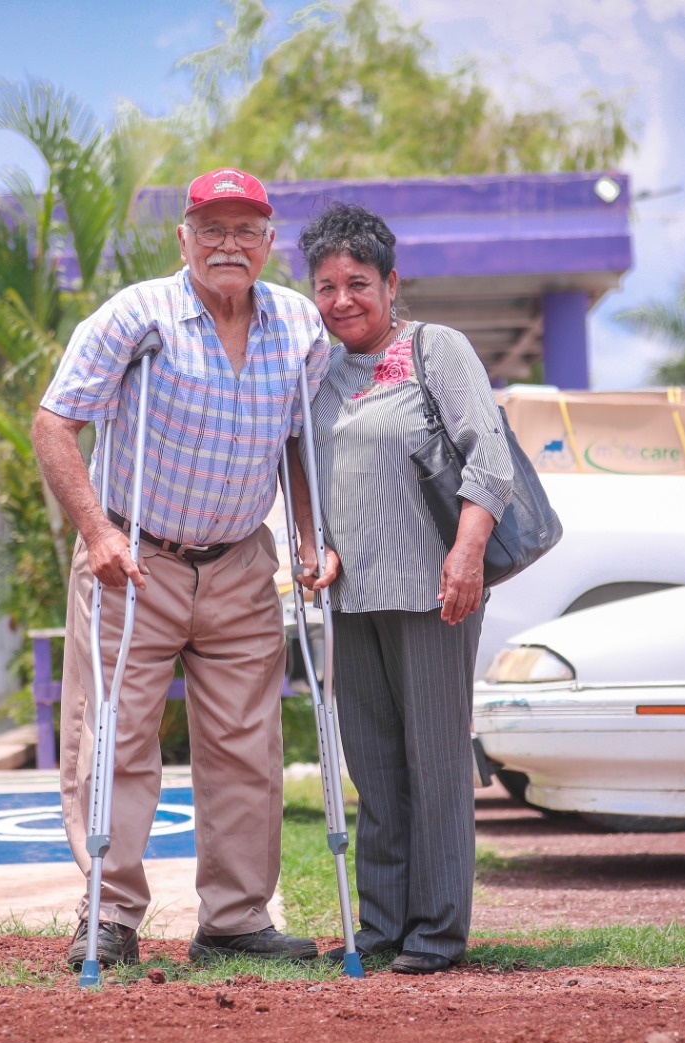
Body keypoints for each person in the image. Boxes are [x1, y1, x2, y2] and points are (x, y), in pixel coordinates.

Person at [32, 167, 332, 970]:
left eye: (245, 230)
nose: (228, 244)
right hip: (134, 558)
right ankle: (109, 915)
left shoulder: (299, 326)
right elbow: (55, 423)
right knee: (116, 738)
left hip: (239, 562)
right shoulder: (137, 314)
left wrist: (309, 539)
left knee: (246, 747)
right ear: (184, 239)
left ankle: (235, 918)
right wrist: (97, 533)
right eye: (212, 229)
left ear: (269, 242)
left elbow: (299, 443)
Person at [295, 202, 515, 975]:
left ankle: (437, 932)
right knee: (376, 771)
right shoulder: (320, 376)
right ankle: (383, 926)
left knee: (436, 766)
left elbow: (490, 457)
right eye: (327, 287)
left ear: (391, 284)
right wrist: (315, 545)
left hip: (434, 595)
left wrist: (467, 554)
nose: (342, 300)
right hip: (352, 601)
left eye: (358, 283)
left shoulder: (433, 350)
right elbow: (304, 470)